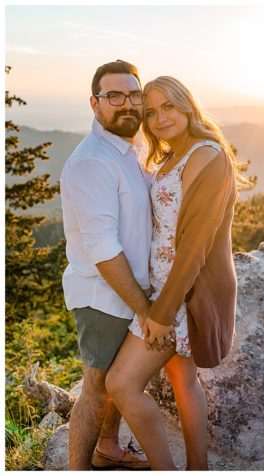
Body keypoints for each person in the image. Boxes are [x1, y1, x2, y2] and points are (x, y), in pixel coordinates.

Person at [105, 75, 245, 470]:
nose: (160, 118)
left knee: (121, 384)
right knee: (183, 379)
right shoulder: (170, 157)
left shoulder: (207, 155)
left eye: (168, 106)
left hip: (183, 293)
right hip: (164, 290)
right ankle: (198, 468)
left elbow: (195, 246)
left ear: (186, 105)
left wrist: (161, 313)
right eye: (151, 112)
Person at [60, 59, 151, 470]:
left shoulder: (131, 145)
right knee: (96, 388)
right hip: (104, 297)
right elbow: (103, 250)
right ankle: (78, 468)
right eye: (114, 96)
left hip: (130, 291)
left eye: (134, 94)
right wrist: (146, 308)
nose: (126, 104)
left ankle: (109, 447)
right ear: (94, 104)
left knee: (120, 383)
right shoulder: (92, 161)